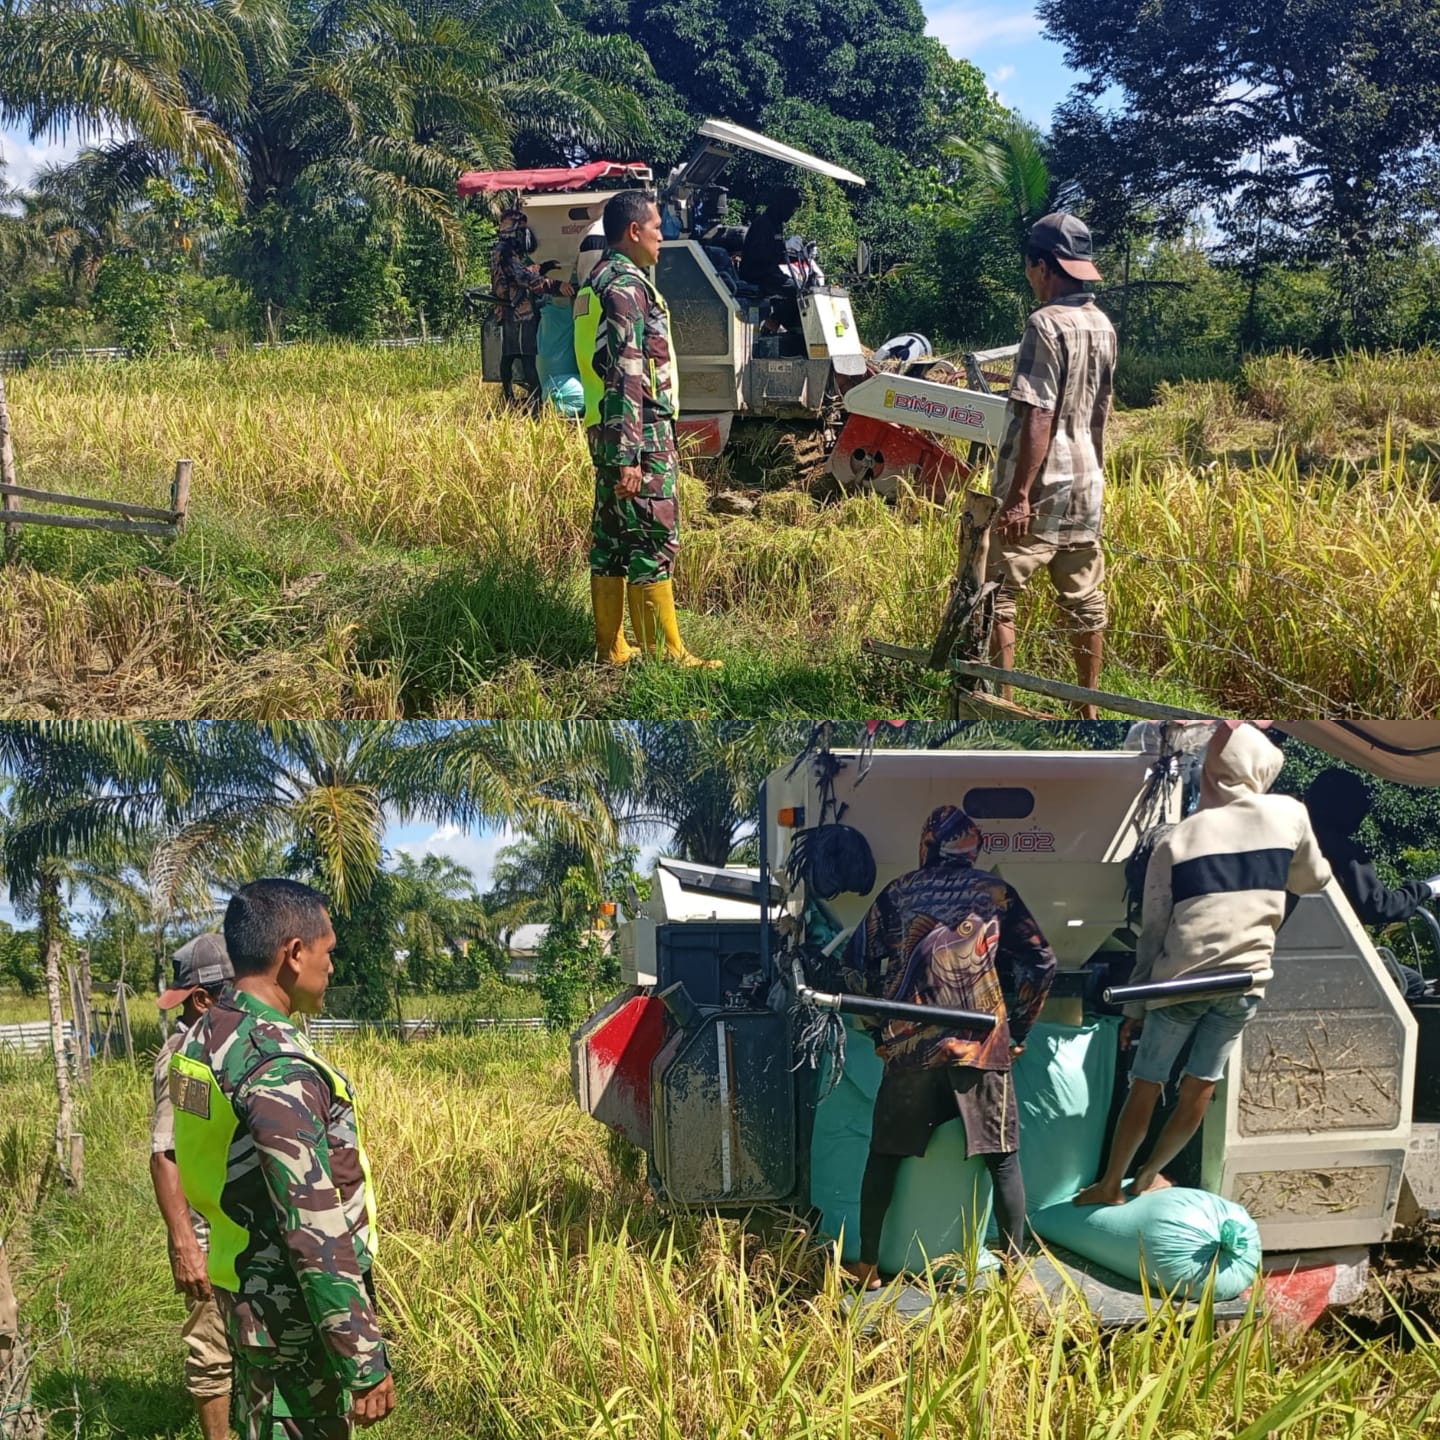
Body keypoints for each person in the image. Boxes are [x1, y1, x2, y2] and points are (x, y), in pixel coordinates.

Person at [171, 879, 395, 1438]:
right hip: (292, 1318)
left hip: (244, 1292)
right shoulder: (276, 1068)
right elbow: (312, 1228)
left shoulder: (207, 1034)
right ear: (294, 953)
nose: (332, 966)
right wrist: (362, 1358)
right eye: (328, 951)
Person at [1075, 723, 1332, 1206]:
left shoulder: (1179, 837)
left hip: (1179, 983)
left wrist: (1136, 1009)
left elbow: (1153, 932)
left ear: (1213, 769)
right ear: (1261, 768)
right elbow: (1313, 879)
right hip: (1245, 980)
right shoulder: (1289, 813)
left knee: (1146, 1084)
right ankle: (1149, 1176)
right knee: (1200, 1088)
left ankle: (1110, 1186)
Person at [839, 805, 1058, 1290]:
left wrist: (879, 1031)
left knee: (884, 1156)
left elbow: (854, 965)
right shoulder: (996, 894)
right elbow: (1043, 961)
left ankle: (868, 1266)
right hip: (980, 1048)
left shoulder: (897, 893)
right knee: (1002, 1158)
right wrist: (1018, 1030)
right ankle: (1016, 1274)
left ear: (927, 843)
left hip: (910, 1050)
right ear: (974, 847)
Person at [575, 189, 719, 669]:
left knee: (613, 540)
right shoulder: (625, 286)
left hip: (605, 428)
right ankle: (667, 656)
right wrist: (630, 454)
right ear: (634, 231)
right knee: (653, 537)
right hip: (639, 432)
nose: (662, 236)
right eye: (657, 227)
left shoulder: (594, 283)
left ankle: (612, 649)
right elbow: (626, 369)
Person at [987, 212, 1117, 719]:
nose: (1030, 276)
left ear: (1043, 267)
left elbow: (1039, 413)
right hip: (1087, 483)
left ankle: (1001, 702)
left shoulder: (1044, 324)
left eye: (1029, 267)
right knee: (1085, 601)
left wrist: (1018, 495)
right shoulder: (1102, 325)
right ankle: (1088, 710)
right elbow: (1101, 410)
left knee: (998, 593)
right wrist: (1094, 472)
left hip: (1040, 486)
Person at [151, 933, 235, 1440]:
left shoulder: (225, 1047)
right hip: (203, 1231)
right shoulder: (187, 1057)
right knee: (212, 1350)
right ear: (204, 1000)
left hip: (235, 1227)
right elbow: (166, 1154)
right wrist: (186, 1245)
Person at [1304, 767, 1440, 1000]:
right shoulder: (1341, 852)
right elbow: (1378, 906)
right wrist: (1427, 889)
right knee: (1412, 983)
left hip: (1293, 950)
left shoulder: (1294, 840)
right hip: (1332, 955)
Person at [490, 206, 574, 409]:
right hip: (518, 311)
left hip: (509, 309)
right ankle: (535, 402)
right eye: (522, 230)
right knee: (526, 356)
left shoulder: (501, 250)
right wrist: (556, 285)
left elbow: (520, 272)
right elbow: (523, 278)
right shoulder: (506, 252)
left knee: (510, 355)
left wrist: (543, 267)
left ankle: (511, 398)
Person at [738, 186, 803, 332]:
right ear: (783, 204)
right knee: (798, 290)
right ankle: (772, 323)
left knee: (805, 287)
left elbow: (777, 255)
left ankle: (790, 330)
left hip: (770, 274)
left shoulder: (776, 224)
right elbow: (760, 255)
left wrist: (802, 254)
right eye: (792, 208)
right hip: (757, 275)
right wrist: (785, 246)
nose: (793, 213)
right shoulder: (762, 224)